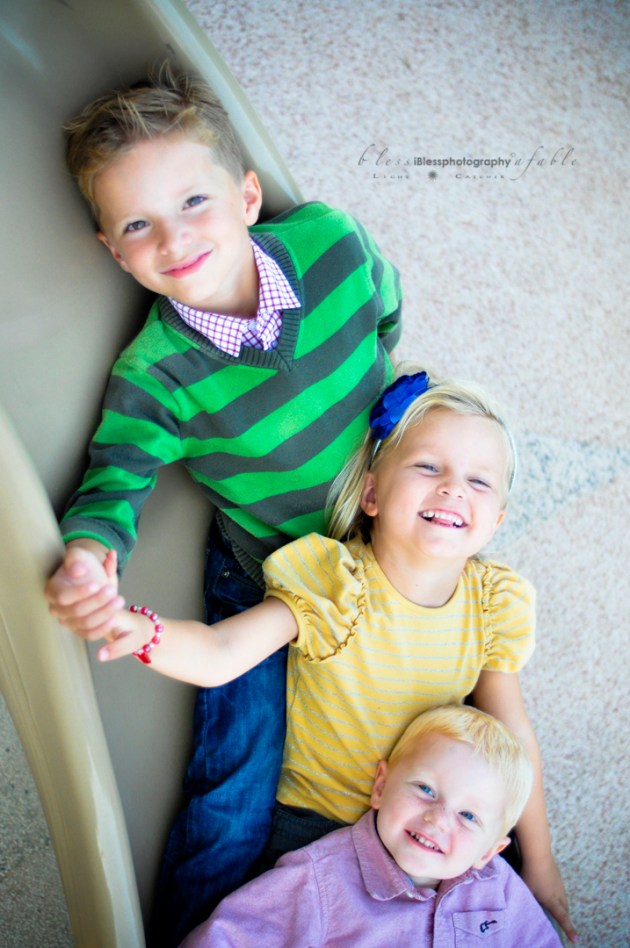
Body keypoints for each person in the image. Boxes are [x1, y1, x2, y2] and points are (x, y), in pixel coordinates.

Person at [43, 63, 402, 944]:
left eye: (194, 202)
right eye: (138, 225)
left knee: (424, 724)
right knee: (238, 781)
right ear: (112, 250)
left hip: (384, 533)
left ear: (247, 197)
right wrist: (89, 557)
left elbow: (388, 319)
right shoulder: (156, 373)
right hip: (264, 566)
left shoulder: (332, 244)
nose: (173, 239)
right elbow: (114, 481)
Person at [98, 368, 576, 942]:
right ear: (371, 494)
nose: (454, 488)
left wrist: (539, 860)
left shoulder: (493, 604)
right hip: (318, 833)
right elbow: (225, 651)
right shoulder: (336, 583)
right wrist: (141, 631)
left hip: (437, 826)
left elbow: (513, 735)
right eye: (429, 467)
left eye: (479, 480)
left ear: (495, 521)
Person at [179, 705, 562, 947]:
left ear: (489, 852)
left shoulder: (499, 888)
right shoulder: (319, 880)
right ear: (381, 786)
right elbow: (225, 938)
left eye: (468, 816)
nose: (437, 819)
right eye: (426, 789)